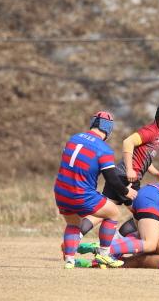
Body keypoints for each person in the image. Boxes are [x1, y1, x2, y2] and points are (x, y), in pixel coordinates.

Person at [69, 103, 159, 241]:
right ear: (157, 117)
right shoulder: (151, 131)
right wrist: (130, 169)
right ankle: (115, 243)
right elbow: (128, 142)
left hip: (118, 175)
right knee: (144, 214)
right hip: (128, 179)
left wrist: (156, 173)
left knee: (102, 212)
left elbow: (142, 157)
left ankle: (74, 237)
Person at [54, 111, 138, 269]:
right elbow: (112, 180)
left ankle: (69, 261)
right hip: (81, 194)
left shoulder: (74, 138)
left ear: (92, 124)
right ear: (108, 131)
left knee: (73, 224)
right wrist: (127, 192)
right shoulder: (104, 149)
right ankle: (104, 255)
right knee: (113, 213)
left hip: (61, 191)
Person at [72, 182, 159, 258]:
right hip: (153, 198)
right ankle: (106, 249)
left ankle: (107, 246)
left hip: (146, 191)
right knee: (150, 244)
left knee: (140, 236)